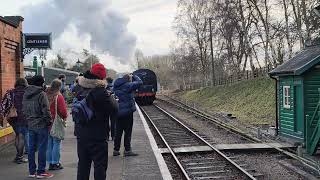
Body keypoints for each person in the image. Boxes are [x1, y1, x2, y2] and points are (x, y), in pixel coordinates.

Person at [75, 64, 118, 180]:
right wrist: (110, 95)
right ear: (101, 77)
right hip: (98, 136)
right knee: (100, 166)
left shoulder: (80, 88)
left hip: (81, 135)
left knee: (83, 165)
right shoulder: (101, 92)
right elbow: (114, 108)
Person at [22, 75, 53, 178]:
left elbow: (24, 110)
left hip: (30, 124)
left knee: (31, 149)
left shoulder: (26, 93)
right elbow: (46, 110)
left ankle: (32, 171)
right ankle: (41, 171)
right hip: (41, 125)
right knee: (42, 148)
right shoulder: (41, 94)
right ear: (41, 83)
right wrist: (49, 122)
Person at [113, 73, 142, 156]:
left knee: (118, 131)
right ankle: (127, 150)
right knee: (128, 132)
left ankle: (116, 150)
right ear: (128, 79)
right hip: (127, 113)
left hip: (118, 112)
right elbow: (140, 82)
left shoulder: (115, 85)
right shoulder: (128, 85)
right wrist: (134, 76)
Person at [1, 78, 29, 164]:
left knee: (18, 135)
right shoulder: (28, 93)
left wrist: (5, 115)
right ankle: (19, 157)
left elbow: (2, 106)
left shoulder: (10, 92)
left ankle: (18, 156)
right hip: (24, 118)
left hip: (13, 118)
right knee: (21, 136)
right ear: (25, 84)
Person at [46, 79, 68, 170]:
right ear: (59, 87)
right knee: (56, 143)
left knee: (49, 144)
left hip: (47, 123)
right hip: (56, 123)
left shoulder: (46, 95)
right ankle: (55, 163)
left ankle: (50, 162)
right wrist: (65, 117)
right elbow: (63, 111)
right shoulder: (59, 97)